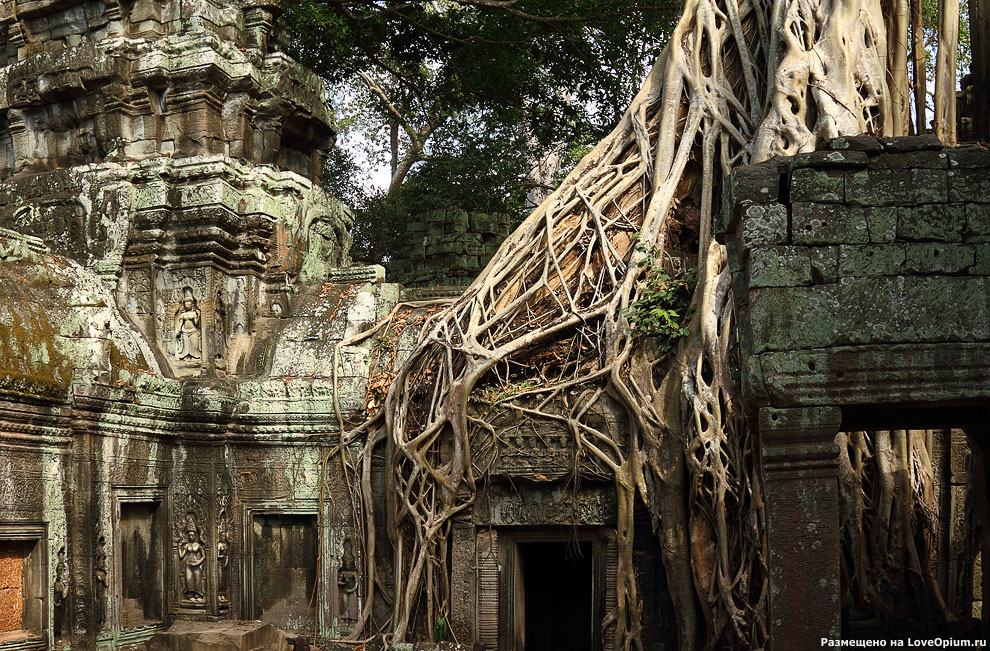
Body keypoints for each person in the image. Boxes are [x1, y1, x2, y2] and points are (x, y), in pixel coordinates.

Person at [178, 515, 206, 602]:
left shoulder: (198, 545)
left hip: (197, 564)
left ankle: (197, 594)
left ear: (195, 535)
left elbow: (204, 556)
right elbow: (181, 556)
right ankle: (190, 595)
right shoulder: (187, 545)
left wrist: (198, 563)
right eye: (189, 535)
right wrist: (179, 546)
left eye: (192, 535)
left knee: (197, 580)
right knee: (189, 580)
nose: (191, 537)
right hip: (188, 565)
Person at [174, 288, 201, 360]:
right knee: (186, 346)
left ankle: (194, 356)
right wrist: (178, 330)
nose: (187, 306)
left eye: (189, 304)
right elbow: (180, 323)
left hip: (193, 331)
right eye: (186, 304)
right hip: (185, 331)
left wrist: (198, 316)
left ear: (192, 305)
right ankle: (186, 356)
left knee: (194, 345)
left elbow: (196, 324)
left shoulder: (194, 313)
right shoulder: (183, 314)